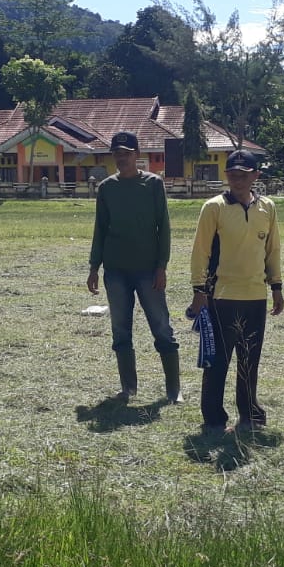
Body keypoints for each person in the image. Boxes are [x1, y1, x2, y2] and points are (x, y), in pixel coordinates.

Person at [187, 149, 283, 432]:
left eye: (244, 175)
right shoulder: (213, 208)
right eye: (233, 175)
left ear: (256, 176)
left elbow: (272, 250)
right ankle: (214, 418)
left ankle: (249, 414)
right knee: (217, 361)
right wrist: (199, 291)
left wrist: (276, 286)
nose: (238, 180)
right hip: (221, 297)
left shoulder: (267, 207)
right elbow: (200, 252)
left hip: (255, 295)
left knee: (249, 360)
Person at [87, 130, 180, 402]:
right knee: (120, 330)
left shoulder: (153, 184)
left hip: (148, 269)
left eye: (127, 153)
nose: (122, 158)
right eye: (117, 153)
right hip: (116, 270)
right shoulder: (106, 188)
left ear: (137, 155)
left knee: (162, 327)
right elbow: (100, 229)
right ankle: (128, 388)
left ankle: (173, 389)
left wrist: (162, 265)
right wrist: (94, 266)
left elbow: (163, 226)